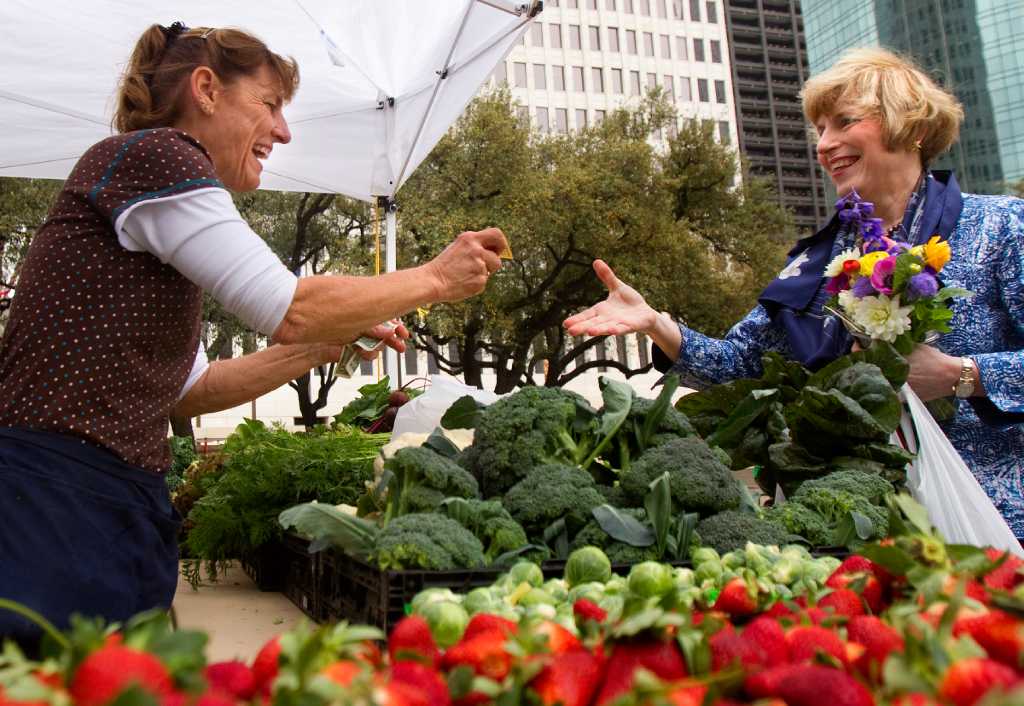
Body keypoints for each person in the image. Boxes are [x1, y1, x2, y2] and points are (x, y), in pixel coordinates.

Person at [0, 22, 509, 643]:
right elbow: (290, 306)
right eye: (268, 105)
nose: (283, 130)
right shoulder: (158, 156)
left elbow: (190, 390)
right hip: (58, 497)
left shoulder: (153, 194)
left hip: (92, 498)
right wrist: (435, 278)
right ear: (207, 89)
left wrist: (324, 345)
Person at [565, 47, 1024, 538]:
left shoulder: (1000, 226)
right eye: (820, 130)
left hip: (996, 526)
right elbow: (742, 365)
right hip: (862, 532)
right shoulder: (819, 262)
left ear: (910, 128)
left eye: (844, 123)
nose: (825, 145)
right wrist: (657, 324)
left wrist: (963, 375)